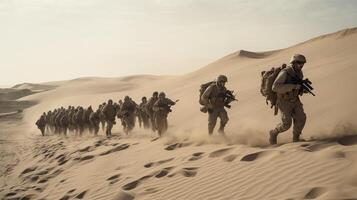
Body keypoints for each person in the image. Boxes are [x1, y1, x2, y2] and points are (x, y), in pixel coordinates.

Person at [269, 54, 308, 144]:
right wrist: (293, 86)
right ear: (293, 62)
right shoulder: (285, 72)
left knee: (301, 118)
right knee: (286, 124)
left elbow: (297, 89)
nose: (301, 65)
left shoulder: (299, 73)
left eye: (302, 63)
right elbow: (275, 87)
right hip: (284, 101)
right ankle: (273, 133)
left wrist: (302, 90)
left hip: (295, 100)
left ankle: (296, 138)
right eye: (299, 63)